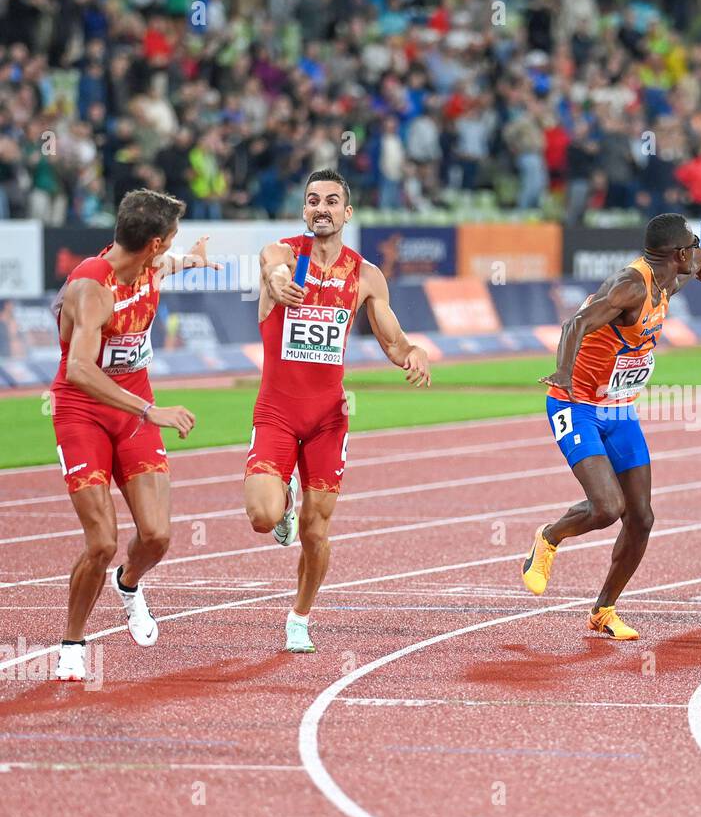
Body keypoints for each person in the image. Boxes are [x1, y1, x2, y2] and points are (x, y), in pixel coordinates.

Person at [244, 170, 430, 653]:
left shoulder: (366, 276)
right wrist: (280, 281)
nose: (320, 208)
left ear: (347, 213)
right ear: (304, 211)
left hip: (329, 419)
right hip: (278, 413)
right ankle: (282, 496)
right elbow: (272, 266)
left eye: (331, 201)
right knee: (263, 518)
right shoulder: (285, 255)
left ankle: (300, 617)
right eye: (312, 201)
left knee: (316, 530)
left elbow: (392, 338)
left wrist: (412, 351)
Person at [50, 189, 217, 681]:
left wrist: (195, 261)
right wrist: (151, 409)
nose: (170, 252)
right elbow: (80, 369)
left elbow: (168, 265)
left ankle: (128, 584)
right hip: (84, 415)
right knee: (101, 542)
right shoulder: (91, 287)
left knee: (157, 536)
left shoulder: (149, 264)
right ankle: (72, 642)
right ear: (154, 242)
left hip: (131, 420)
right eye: (171, 244)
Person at [522, 213, 701, 639]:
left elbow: (699, 264)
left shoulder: (667, 280)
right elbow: (575, 323)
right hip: (577, 405)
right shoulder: (630, 286)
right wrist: (565, 372)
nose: (695, 250)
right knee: (608, 507)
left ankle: (603, 610)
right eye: (691, 246)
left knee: (641, 517)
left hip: (620, 410)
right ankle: (549, 537)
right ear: (676, 253)